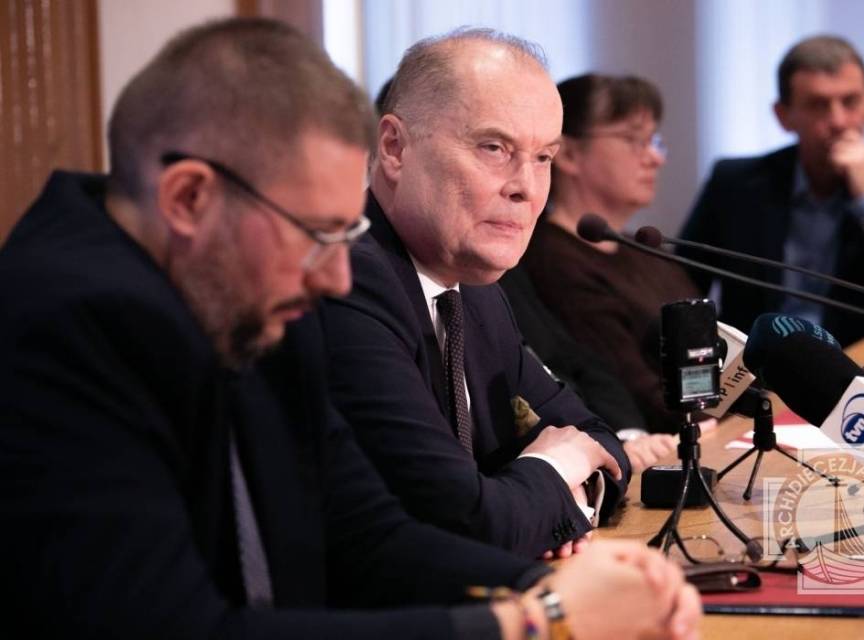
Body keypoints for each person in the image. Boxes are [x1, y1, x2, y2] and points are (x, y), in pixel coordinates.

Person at [0, 18, 702, 639]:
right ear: (189, 199)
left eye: (348, 235)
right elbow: (172, 627)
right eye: (318, 235)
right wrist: (534, 622)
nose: (338, 278)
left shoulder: (243, 296)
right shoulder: (60, 326)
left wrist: (555, 590)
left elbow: (367, 533)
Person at [324, 29, 632, 560]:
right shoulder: (348, 281)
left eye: (543, 158)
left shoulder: (476, 293)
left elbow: (599, 439)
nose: (526, 187)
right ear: (394, 147)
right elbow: (465, 526)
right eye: (494, 148)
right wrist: (555, 470)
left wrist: (552, 502)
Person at [679, 34, 864, 346]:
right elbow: (681, 284)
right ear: (783, 115)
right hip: (753, 362)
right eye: (819, 105)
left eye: (850, 101)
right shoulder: (734, 183)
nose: (838, 121)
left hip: (858, 366)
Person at [518, 73, 703, 438]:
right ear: (569, 153)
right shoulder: (550, 258)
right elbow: (631, 386)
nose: (655, 158)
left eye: (654, 141)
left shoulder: (644, 247)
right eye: (634, 140)